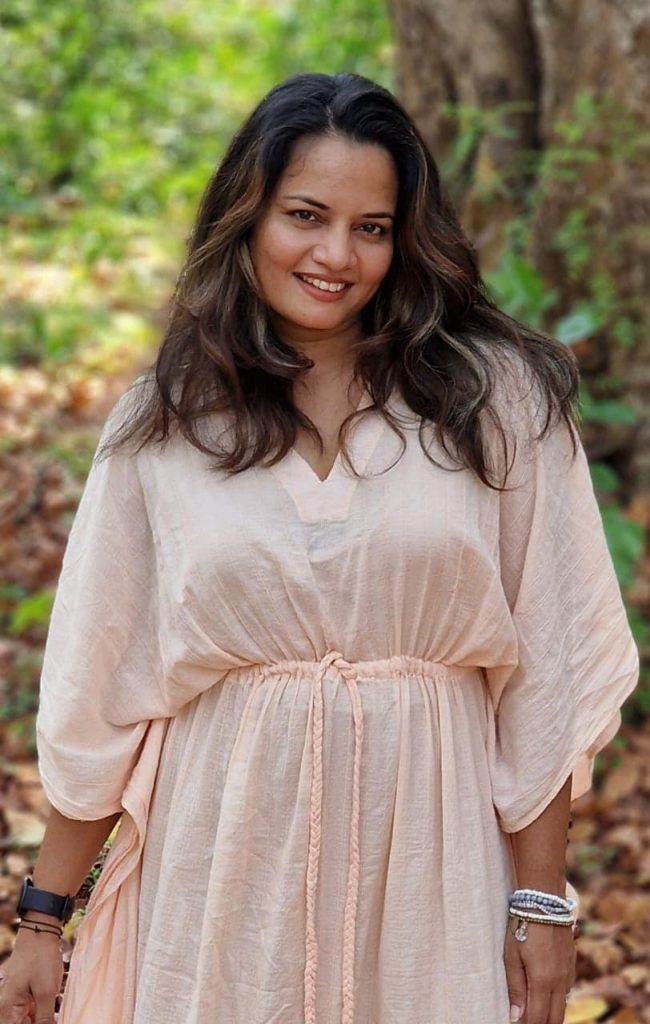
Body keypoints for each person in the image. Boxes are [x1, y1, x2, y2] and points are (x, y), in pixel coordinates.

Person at [0, 71, 639, 1024]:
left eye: (371, 227)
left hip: (432, 854)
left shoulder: (495, 403)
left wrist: (541, 901)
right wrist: (43, 916)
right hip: (223, 860)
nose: (337, 255)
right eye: (305, 215)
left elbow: (548, 669)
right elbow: (103, 683)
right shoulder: (165, 421)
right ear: (247, 216)